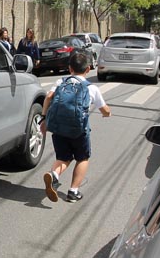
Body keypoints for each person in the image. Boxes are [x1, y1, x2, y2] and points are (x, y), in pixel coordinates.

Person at [40, 52, 111, 204]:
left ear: (70, 68)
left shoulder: (61, 81)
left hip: (58, 128)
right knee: (82, 158)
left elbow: (48, 97)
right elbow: (104, 109)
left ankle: (53, 175)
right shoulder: (91, 88)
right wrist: (107, 114)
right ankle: (73, 191)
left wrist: (44, 118)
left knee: (63, 157)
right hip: (79, 130)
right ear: (88, 69)